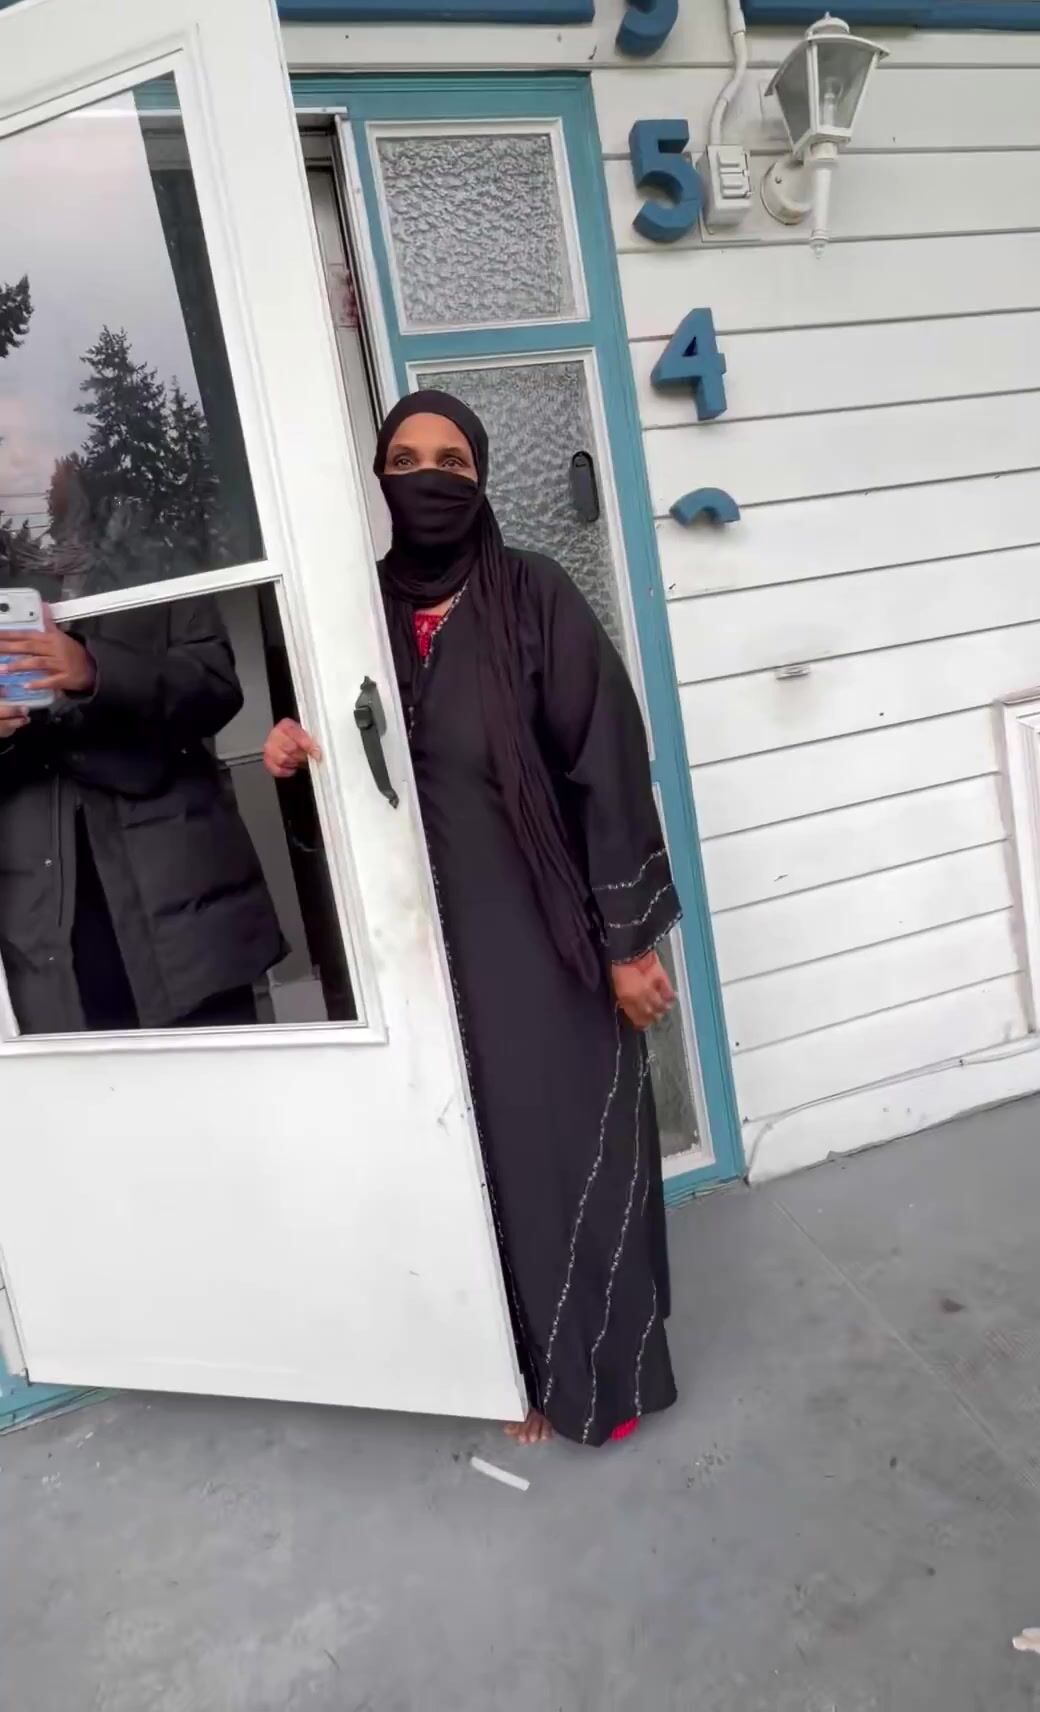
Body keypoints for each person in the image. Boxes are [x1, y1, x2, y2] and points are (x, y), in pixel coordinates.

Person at [263, 392, 680, 1448]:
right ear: (378, 478)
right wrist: (294, 766)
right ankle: (513, 1373)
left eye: (451, 460)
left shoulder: (534, 595)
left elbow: (609, 768)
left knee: (563, 1152)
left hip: (543, 938)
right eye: (405, 459)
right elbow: (342, 796)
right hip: (414, 945)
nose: (429, 477)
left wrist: (628, 943)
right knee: (466, 1162)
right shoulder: (348, 618)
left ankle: (598, 1379)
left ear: (481, 476)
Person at [0, 595, 284, 1033]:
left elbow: (216, 686)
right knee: (82, 1065)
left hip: (181, 905)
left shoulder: (162, 564)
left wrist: (95, 670)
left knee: (221, 1065)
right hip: (34, 922)